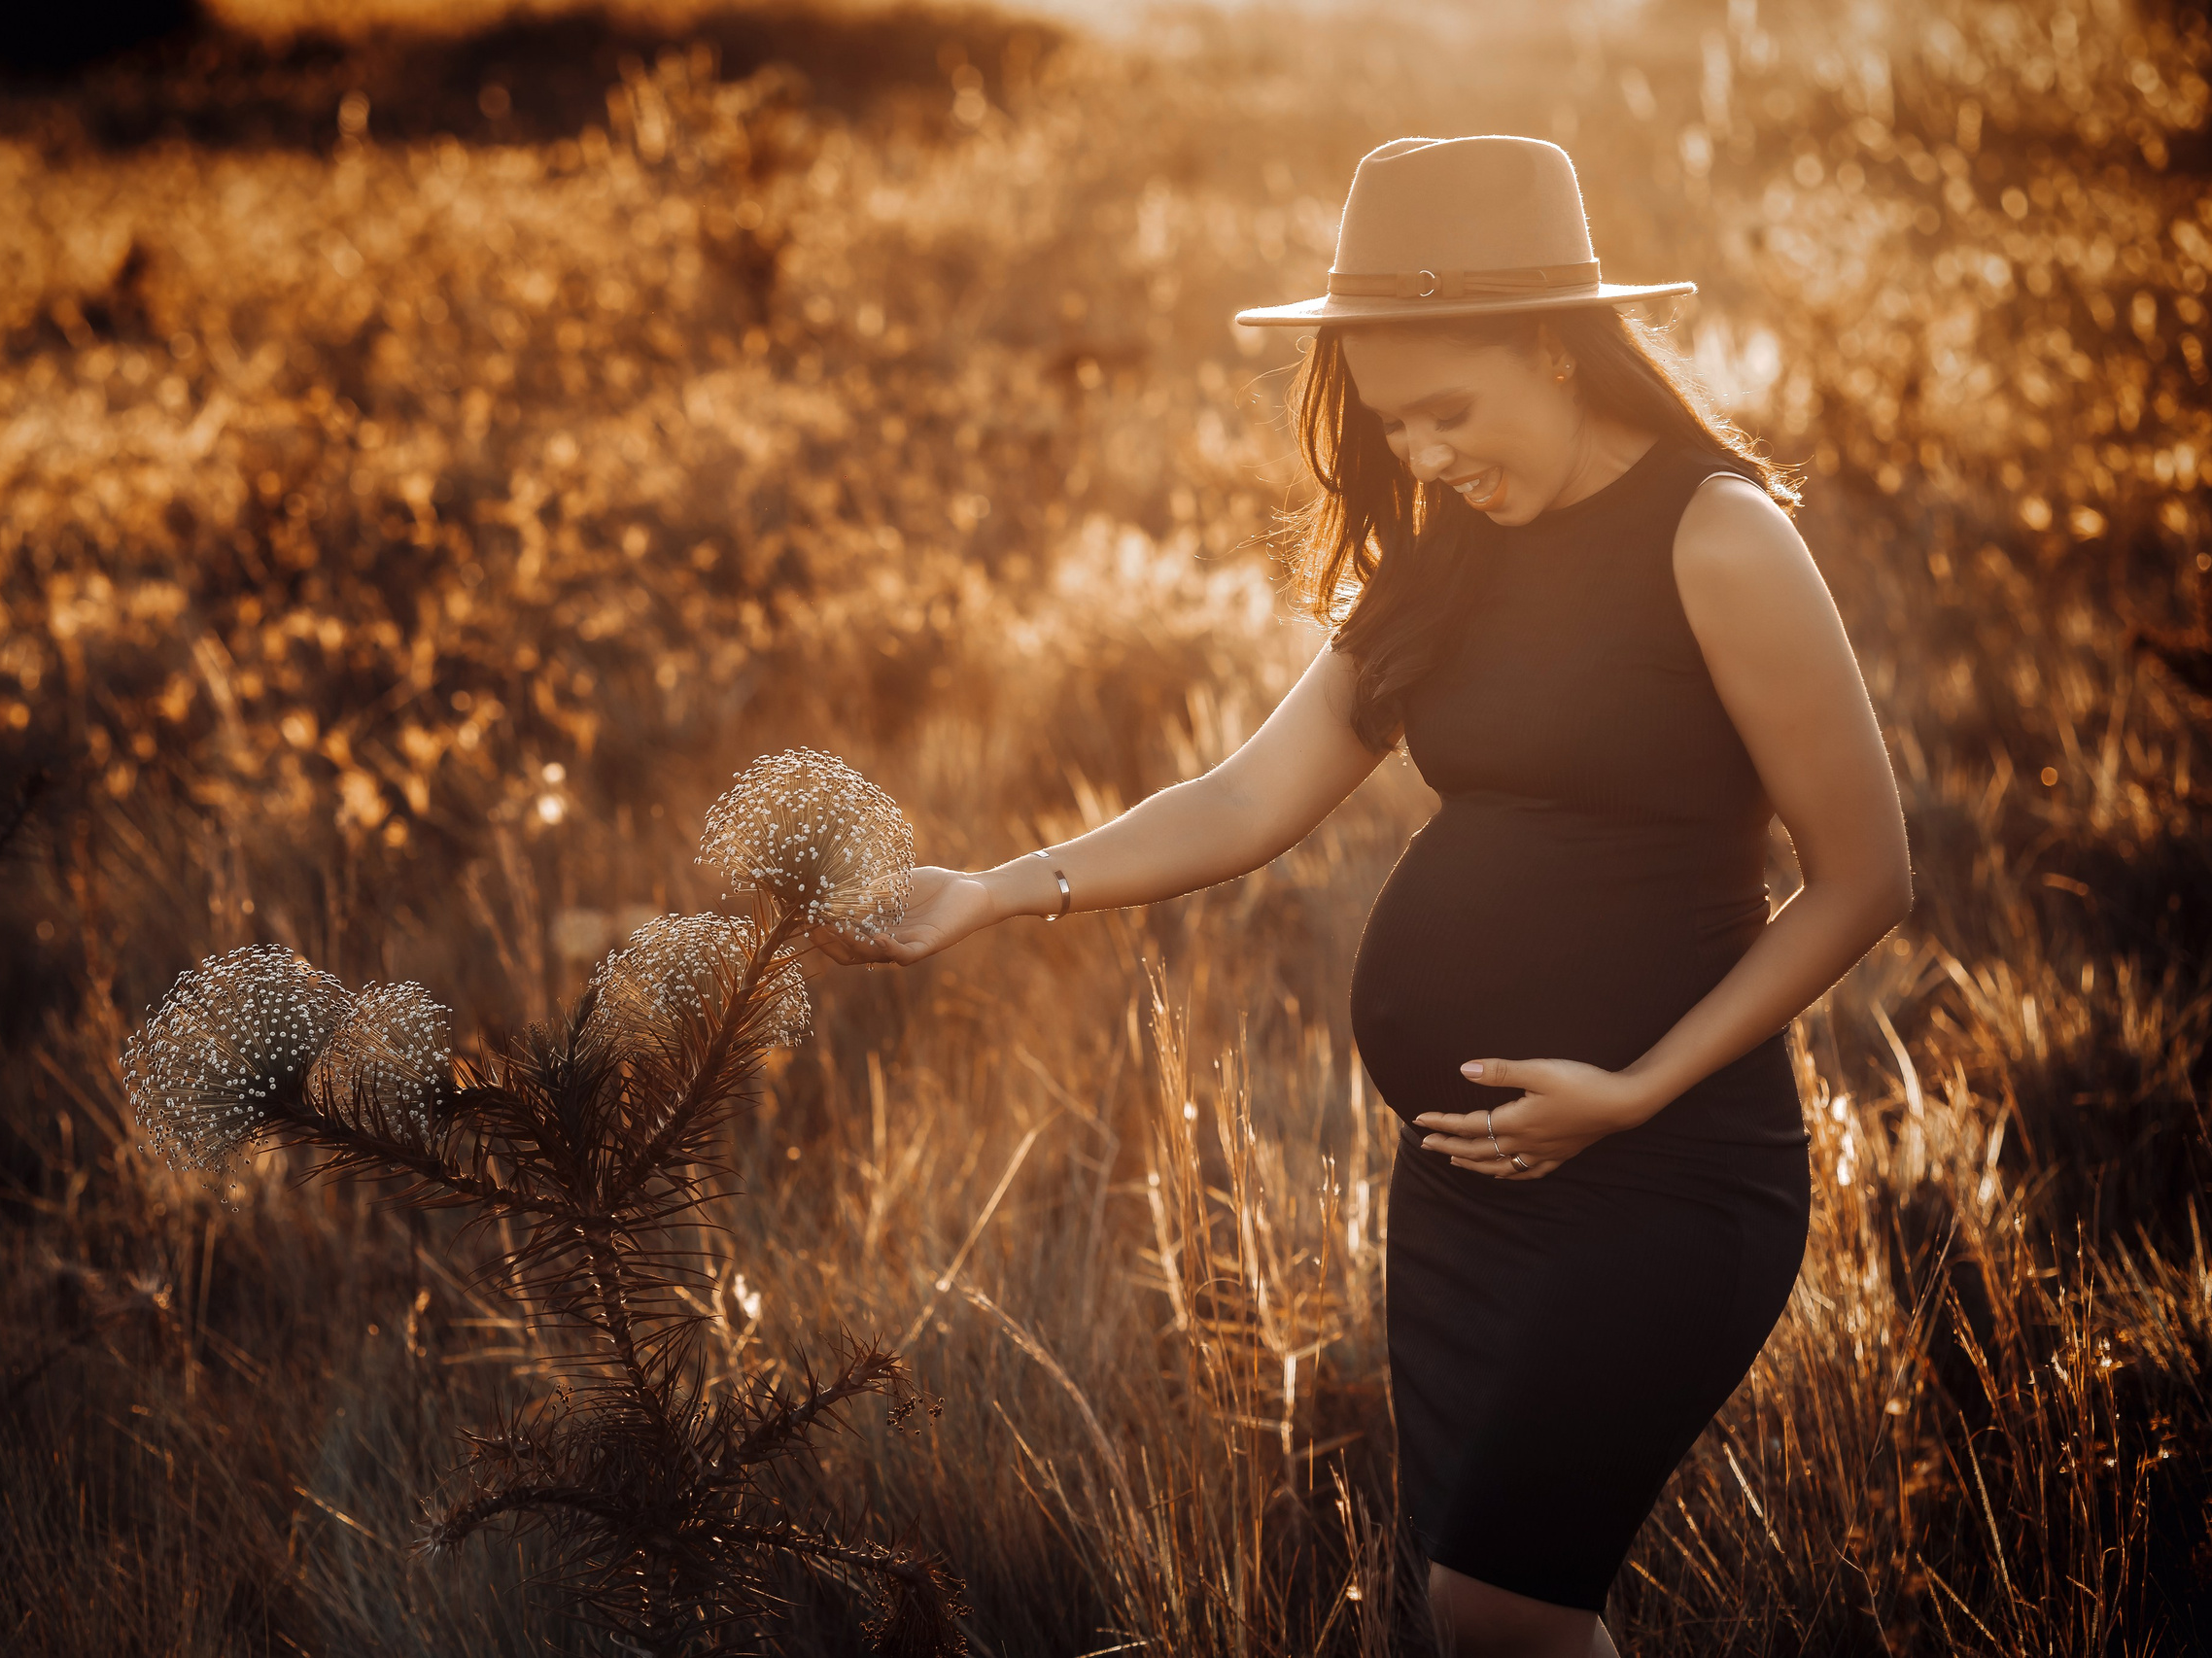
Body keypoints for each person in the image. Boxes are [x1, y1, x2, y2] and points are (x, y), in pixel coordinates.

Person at [810, 135, 1912, 1655]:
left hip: (1666, 1172)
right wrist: (988, 894)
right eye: (1394, 422)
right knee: (1484, 1617)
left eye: (1448, 410)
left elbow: (1866, 878)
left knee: (1498, 1604)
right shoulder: (1449, 563)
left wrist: (1634, 1090)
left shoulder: (1718, 536)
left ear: (1554, 345)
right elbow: (1245, 799)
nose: (1426, 454)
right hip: (1465, 1187)